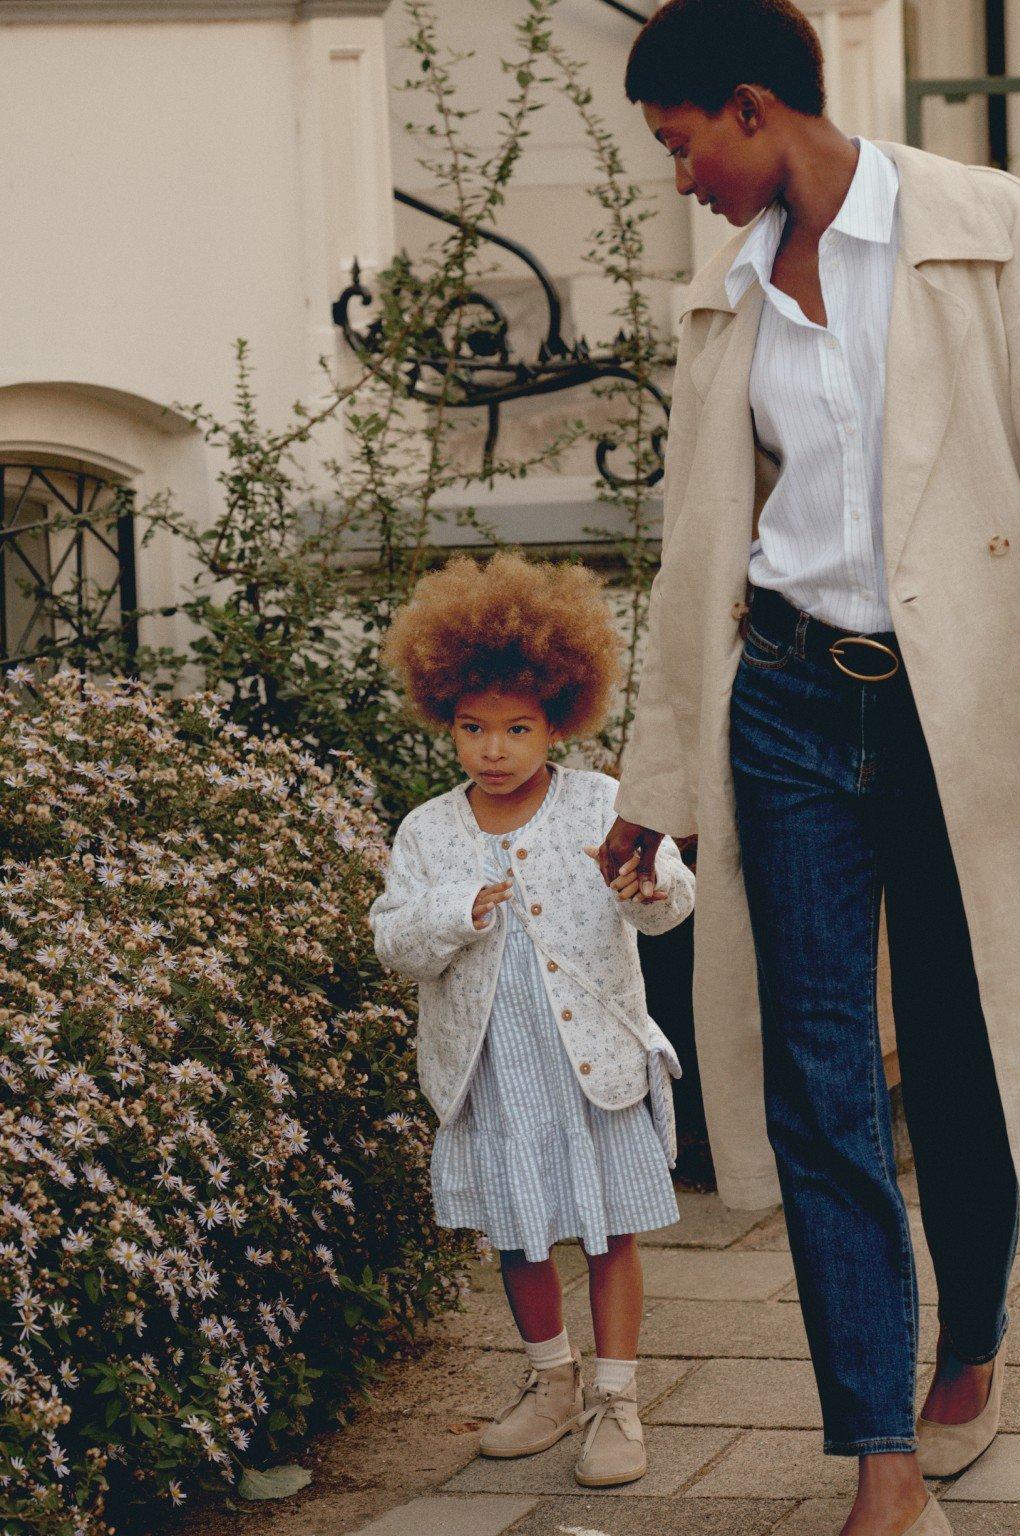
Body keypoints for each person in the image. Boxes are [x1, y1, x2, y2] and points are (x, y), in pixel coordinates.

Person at [592, 1, 1020, 1533]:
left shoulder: (983, 228)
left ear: (748, 107)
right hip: (786, 704)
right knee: (816, 1084)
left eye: (679, 146)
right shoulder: (717, 290)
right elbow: (692, 552)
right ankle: (881, 1457)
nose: (677, 183)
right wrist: (655, 777)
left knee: (964, 1040)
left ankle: (971, 1340)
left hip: (960, 710)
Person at [368, 550, 695, 1489]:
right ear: (447, 722)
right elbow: (394, 938)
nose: (494, 750)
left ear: (561, 717)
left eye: (517, 728)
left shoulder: (603, 804)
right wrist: (454, 909)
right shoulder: (429, 831)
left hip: (589, 1064)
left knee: (608, 1231)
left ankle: (616, 1401)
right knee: (518, 1233)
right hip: (493, 1072)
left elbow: (667, 902)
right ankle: (551, 1383)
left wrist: (645, 878)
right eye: (474, 728)